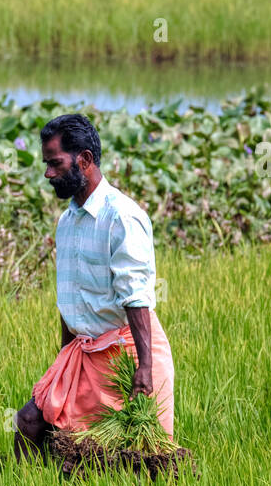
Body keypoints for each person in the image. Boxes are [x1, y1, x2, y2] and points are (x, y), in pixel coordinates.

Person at [14, 113, 174, 460]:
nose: (47, 173)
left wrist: (144, 370)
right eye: (46, 164)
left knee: (126, 457)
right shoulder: (68, 220)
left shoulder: (121, 217)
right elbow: (68, 297)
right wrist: (62, 359)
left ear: (84, 160)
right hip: (83, 353)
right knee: (29, 422)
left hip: (124, 355)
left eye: (55, 163)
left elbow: (136, 297)